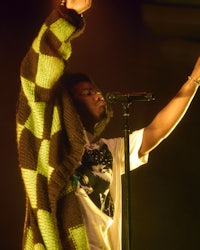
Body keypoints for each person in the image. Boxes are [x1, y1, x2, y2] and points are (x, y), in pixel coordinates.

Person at [16, 0, 200, 249]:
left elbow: (156, 131)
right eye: (87, 93)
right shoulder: (54, 141)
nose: (98, 95)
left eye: (96, 90)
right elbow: (37, 76)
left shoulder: (108, 151)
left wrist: (195, 80)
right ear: (69, 105)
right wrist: (68, 14)